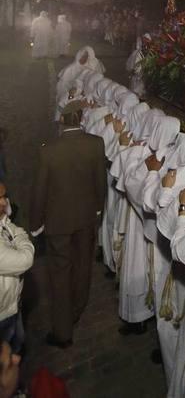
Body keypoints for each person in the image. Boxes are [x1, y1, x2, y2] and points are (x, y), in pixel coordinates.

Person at [29, 102, 107, 348]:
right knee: (83, 265)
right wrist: (97, 209)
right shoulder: (96, 143)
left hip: (58, 222)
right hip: (85, 217)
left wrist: (35, 224)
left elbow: (39, 191)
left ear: (61, 121)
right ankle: (76, 309)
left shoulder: (49, 151)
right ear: (81, 117)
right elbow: (101, 183)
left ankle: (63, 332)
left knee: (60, 274)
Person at [0, 184, 34, 353]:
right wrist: (20, 236)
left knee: (18, 342)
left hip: (11, 305)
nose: (6, 202)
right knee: (11, 354)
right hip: (3, 314)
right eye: (0, 197)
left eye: (5, 196)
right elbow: (25, 259)